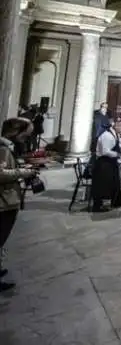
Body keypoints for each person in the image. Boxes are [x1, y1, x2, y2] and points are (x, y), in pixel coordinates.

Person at [0, 118, 39, 291]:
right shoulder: (3, 149)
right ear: (15, 132)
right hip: (4, 200)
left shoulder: (7, 147)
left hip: (8, 198)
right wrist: (25, 172)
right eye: (26, 134)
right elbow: (1, 174)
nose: (27, 138)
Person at [93, 121, 121, 212]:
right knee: (104, 186)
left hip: (110, 162)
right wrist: (117, 154)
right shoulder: (107, 136)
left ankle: (116, 201)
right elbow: (105, 151)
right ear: (116, 126)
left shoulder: (114, 134)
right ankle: (100, 206)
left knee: (114, 182)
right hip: (104, 163)